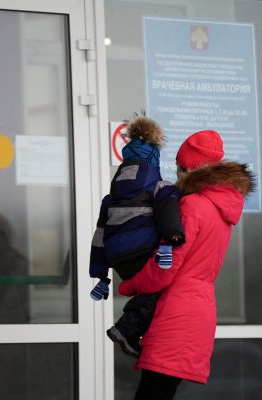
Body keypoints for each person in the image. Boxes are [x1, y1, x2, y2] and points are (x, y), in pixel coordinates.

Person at [118, 129, 254, 399]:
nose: (177, 175)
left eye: (180, 168)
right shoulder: (220, 208)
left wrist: (130, 285)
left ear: (191, 170)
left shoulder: (192, 205)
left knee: (153, 393)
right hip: (198, 310)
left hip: (177, 313)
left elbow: (166, 266)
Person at [89, 113, 185, 358]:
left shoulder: (110, 198)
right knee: (161, 290)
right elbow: (167, 210)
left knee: (148, 291)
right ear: (154, 162)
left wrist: (100, 274)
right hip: (142, 250)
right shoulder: (160, 187)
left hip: (119, 259)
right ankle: (127, 330)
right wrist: (172, 236)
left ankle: (135, 333)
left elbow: (100, 235)